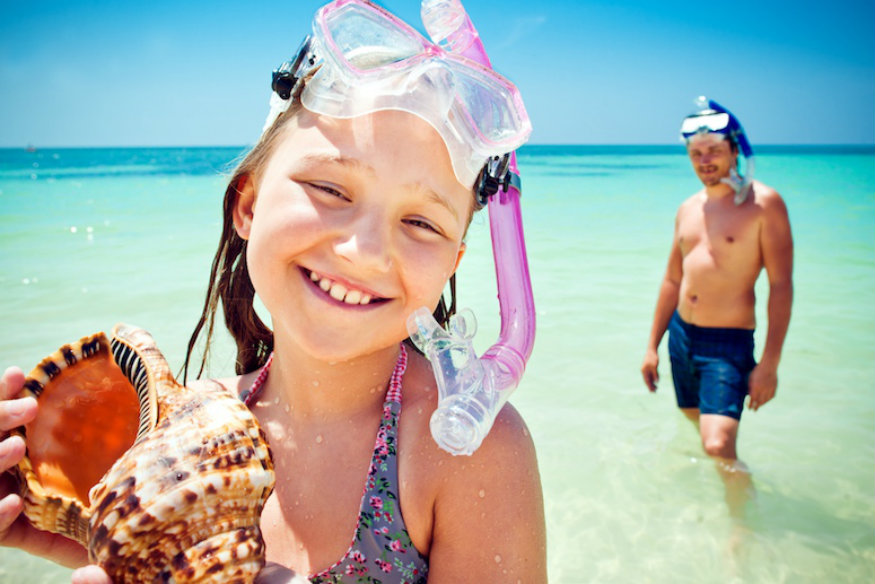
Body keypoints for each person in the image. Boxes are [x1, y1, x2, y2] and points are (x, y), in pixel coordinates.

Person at [0, 1, 547, 582]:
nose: (362, 251)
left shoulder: (465, 453)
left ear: (452, 262)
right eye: (330, 188)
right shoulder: (183, 434)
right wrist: (95, 539)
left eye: (421, 224)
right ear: (249, 205)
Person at [640, 98, 793, 512]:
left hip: (728, 341)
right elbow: (673, 279)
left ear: (735, 151)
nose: (704, 160)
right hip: (682, 336)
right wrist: (653, 345)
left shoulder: (764, 204)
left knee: (718, 442)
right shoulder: (688, 208)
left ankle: (741, 527)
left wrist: (770, 364)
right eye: (696, 154)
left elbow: (781, 286)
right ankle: (711, 501)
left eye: (714, 151)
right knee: (695, 423)